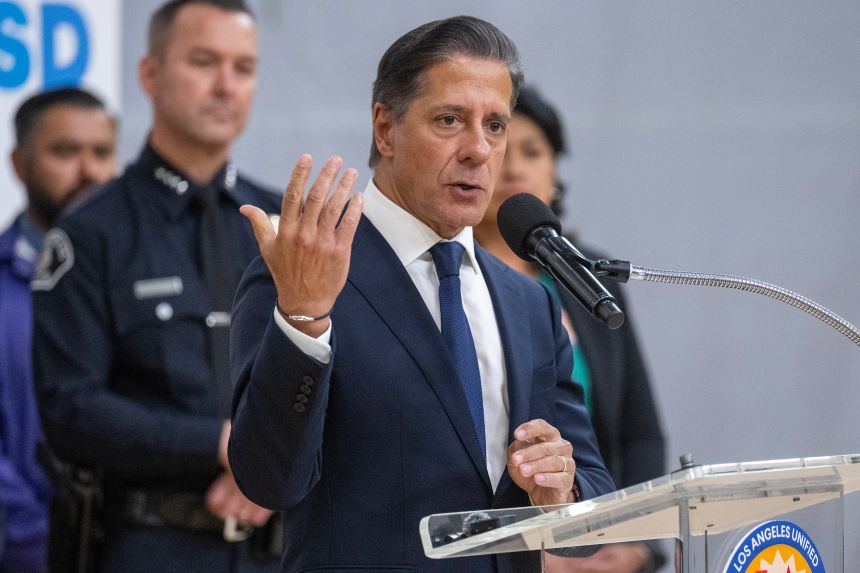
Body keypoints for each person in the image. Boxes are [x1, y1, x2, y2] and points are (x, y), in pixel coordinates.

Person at [229, 16, 615, 572]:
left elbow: (588, 513)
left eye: (496, 126)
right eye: (450, 120)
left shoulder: (529, 303)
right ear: (385, 130)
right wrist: (305, 318)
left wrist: (564, 490)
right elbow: (270, 480)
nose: (478, 150)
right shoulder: (302, 275)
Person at [31, 1, 281, 572]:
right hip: (151, 545)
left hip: (281, 549)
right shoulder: (91, 232)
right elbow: (71, 408)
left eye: (242, 68)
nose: (225, 85)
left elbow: (337, 374)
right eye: (203, 62)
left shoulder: (281, 223)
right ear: (150, 74)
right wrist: (220, 443)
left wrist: (275, 465)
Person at [474, 86, 667, 572]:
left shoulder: (588, 282)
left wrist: (638, 541)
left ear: (556, 172)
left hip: (607, 548)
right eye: (501, 147)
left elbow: (639, 433)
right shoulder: (448, 281)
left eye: (534, 151)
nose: (516, 166)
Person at [0, 87, 117, 573]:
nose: (88, 170)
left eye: (102, 153)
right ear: (20, 163)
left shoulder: (144, 282)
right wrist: (31, 543)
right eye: (65, 152)